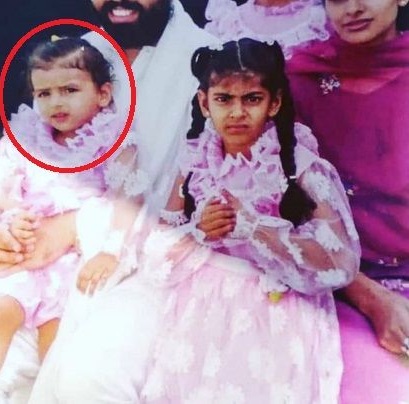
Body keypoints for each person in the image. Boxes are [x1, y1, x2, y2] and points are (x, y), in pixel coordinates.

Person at [0, 0, 217, 401]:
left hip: (149, 269)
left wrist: (79, 227)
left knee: (81, 378)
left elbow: (197, 204)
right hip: (34, 260)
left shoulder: (212, 64)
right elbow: (25, 159)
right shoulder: (76, 56)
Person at [39, 38, 360, 403]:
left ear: (275, 103)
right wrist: (200, 231)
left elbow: (340, 261)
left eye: (251, 99)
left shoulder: (299, 166)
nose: (237, 112)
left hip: (272, 303)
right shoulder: (195, 162)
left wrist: (256, 227)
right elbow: (163, 240)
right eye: (224, 99)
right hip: (201, 297)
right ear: (205, 103)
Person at [0, 37, 147, 403]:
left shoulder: (115, 144)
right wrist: (14, 217)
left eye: (69, 90)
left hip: (72, 261)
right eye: (44, 94)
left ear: (103, 94)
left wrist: (109, 251)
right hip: (27, 257)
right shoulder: (23, 142)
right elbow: (5, 193)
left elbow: (126, 202)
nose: (56, 102)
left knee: (55, 346)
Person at [286, 0, 409, 402]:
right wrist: (369, 295)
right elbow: (287, 202)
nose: (353, 6)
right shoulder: (302, 80)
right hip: (340, 282)